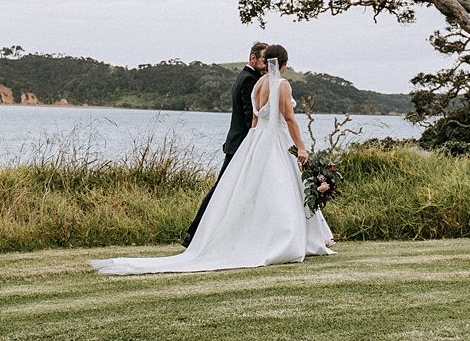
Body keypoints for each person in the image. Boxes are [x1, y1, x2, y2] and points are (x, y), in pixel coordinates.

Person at [91, 44, 335, 275]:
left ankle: (261, 236)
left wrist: (252, 148)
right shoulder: (282, 85)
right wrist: (301, 148)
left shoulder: (258, 85)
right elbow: (290, 119)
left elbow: (254, 121)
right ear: (284, 63)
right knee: (281, 190)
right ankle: (283, 239)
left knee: (257, 191)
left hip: (256, 141)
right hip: (276, 140)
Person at [181, 41, 267, 247]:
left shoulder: (247, 77)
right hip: (241, 145)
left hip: (238, 143)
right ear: (253, 58)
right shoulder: (249, 80)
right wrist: (256, 142)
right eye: (264, 61)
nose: (266, 66)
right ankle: (194, 235)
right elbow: (250, 117)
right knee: (220, 190)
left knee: (230, 191)